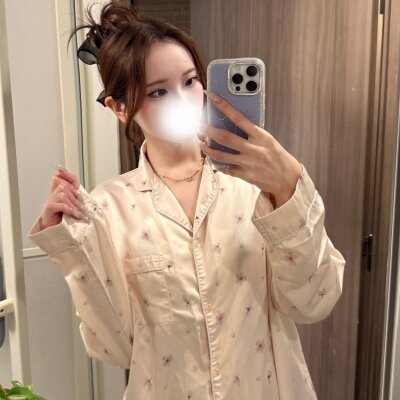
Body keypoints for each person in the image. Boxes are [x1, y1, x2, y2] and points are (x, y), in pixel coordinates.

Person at [28, 1, 346, 399]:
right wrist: (71, 248)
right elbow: (116, 348)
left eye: (191, 81)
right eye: (159, 91)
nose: (183, 99)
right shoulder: (109, 208)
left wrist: (289, 190)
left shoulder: (258, 187)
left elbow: (313, 302)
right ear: (119, 107)